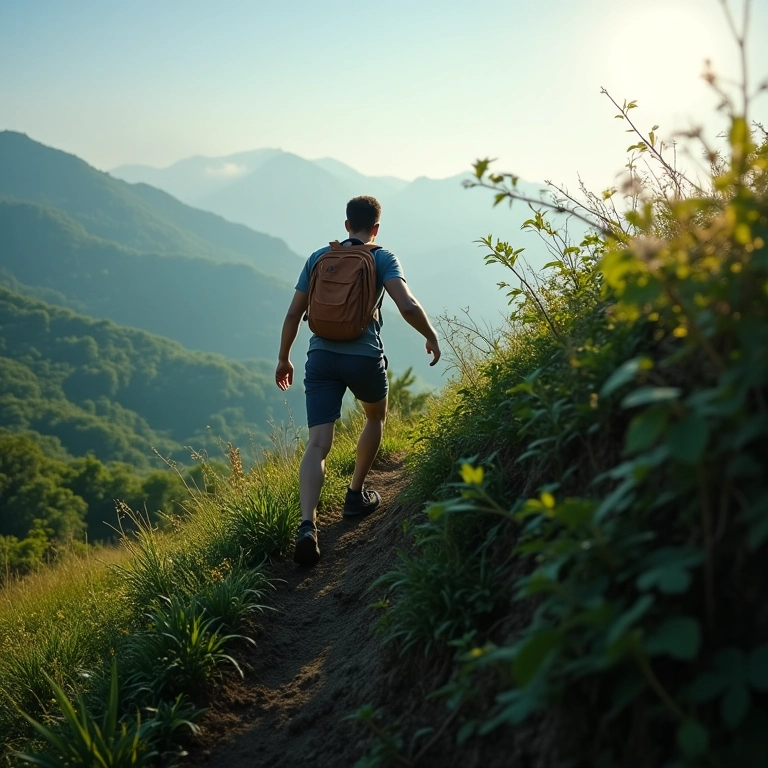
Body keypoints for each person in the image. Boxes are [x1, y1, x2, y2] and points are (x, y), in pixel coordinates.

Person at [275, 195, 441, 566]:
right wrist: (430, 335)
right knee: (374, 417)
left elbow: (292, 313)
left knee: (318, 443)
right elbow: (408, 305)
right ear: (376, 228)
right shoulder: (382, 256)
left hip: (319, 358)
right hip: (364, 357)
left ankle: (307, 525)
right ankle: (355, 494)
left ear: (347, 224)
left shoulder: (319, 257)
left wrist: (284, 357)